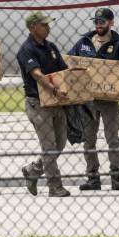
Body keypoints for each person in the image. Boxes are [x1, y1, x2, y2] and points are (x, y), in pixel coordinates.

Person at [68, 7, 119, 191]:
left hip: (109, 100)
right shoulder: (84, 42)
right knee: (89, 141)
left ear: (111, 23)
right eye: (97, 22)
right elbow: (68, 60)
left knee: (112, 139)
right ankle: (93, 179)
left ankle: (116, 178)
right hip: (88, 100)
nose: (99, 25)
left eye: (102, 22)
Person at [17, 11, 72, 198]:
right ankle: (54, 186)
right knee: (49, 146)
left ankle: (33, 170)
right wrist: (55, 90)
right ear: (33, 28)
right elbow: (37, 74)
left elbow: (64, 71)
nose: (49, 27)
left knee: (60, 143)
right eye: (44, 25)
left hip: (56, 102)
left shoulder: (51, 47)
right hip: (38, 103)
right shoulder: (26, 50)